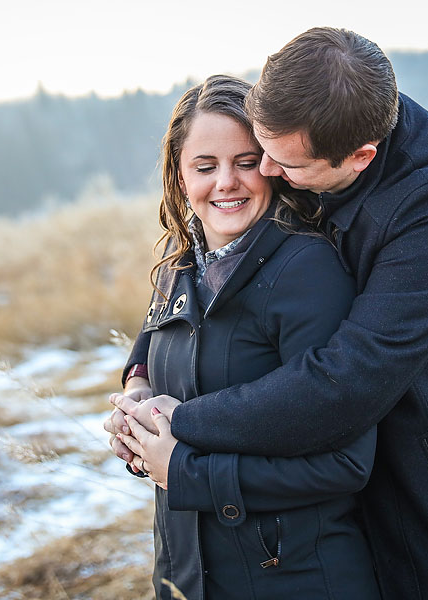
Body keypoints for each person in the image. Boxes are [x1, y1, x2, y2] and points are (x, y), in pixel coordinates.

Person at [108, 28, 428, 600]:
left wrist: (185, 423)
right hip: (363, 535)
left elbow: (345, 382)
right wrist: (140, 376)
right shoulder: (319, 125)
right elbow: (193, 272)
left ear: (360, 156)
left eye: (278, 162)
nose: (264, 173)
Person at [114, 73, 381, 600]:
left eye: (245, 162)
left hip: (295, 579)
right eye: (205, 166)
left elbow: (346, 462)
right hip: (186, 575)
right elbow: (153, 344)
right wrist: (136, 390)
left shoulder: (308, 270)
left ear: (273, 165)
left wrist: (187, 471)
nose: (226, 183)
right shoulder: (178, 262)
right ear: (179, 175)